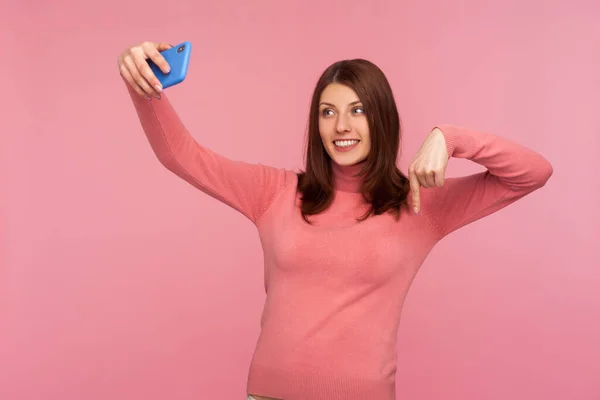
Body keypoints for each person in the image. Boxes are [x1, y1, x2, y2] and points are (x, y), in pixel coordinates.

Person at [117, 41, 553, 400]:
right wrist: (144, 88)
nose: (341, 125)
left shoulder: (420, 203)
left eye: (357, 110)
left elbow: (533, 172)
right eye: (328, 112)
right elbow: (182, 156)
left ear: (381, 117)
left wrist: (451, 137)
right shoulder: (277, 192)